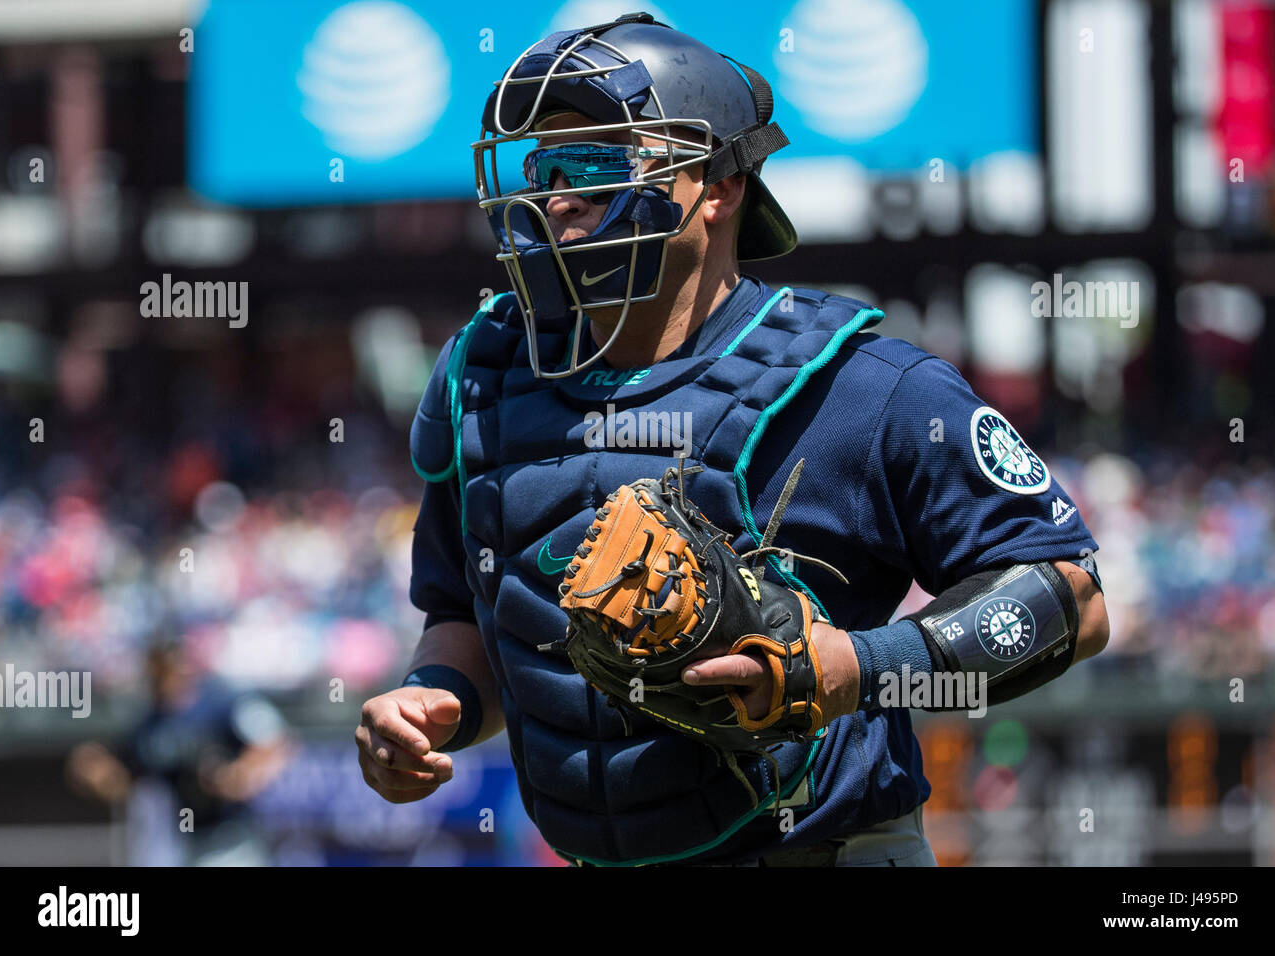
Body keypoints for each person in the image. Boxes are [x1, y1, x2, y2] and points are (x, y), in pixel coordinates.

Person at [356, 12, 1109, 867]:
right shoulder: (483, 383)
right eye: (546, 170)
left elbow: (1070, 601)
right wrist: (432, 699)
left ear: (716, 186)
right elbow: (464, 613)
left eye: (598, 168)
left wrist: (862, 668)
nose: (559, 199)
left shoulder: (861, 383)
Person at [67, 642, 290, 865]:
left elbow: (273, 742)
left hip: (232, 838)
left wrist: (238, 775)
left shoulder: (221, 702)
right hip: (184, 841)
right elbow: (122, 781)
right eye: (156, 669)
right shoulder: (149, 726)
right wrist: (98, 772)